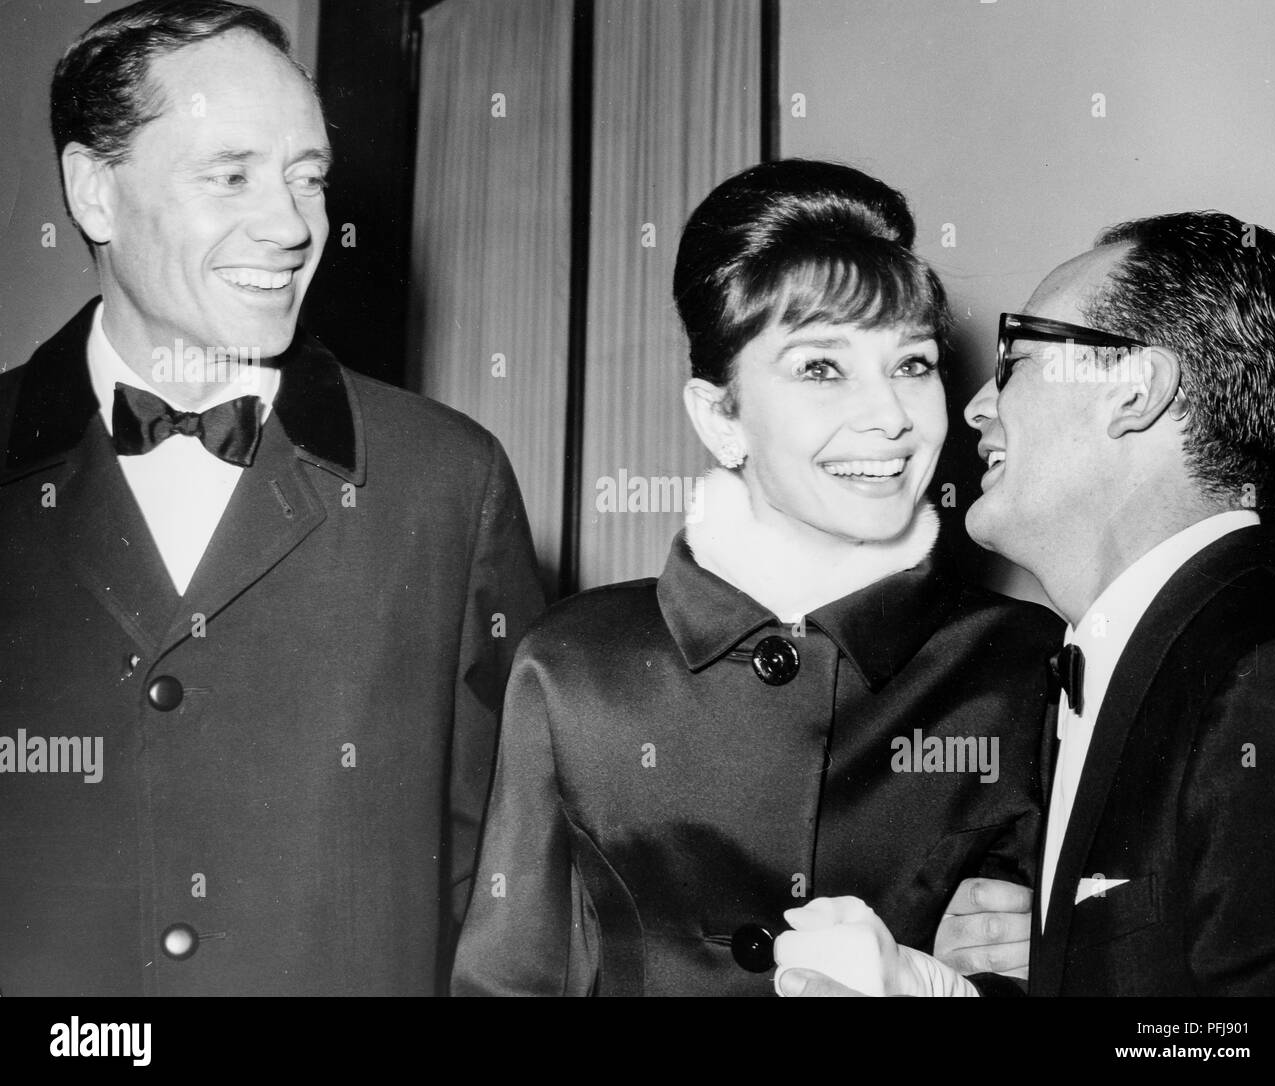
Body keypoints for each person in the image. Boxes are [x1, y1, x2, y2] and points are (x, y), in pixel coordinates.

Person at [0, 0, 543, 995]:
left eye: (307, 178)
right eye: (231, 175)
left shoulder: (447, 485)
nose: (293, 226)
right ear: (94, 193)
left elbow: (511, 904)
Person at [451, 159, 1063, 997]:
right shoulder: (574, 665)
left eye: (912, 364)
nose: (889, 416)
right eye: (821, 368)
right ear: (720, 416)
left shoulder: (1026, 663)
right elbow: (508, 980)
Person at [777, 210, 1275, 997]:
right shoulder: (1141, 659)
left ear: (1134, 391)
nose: (975, 409)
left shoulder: (1270, 675)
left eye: (1015, 362)